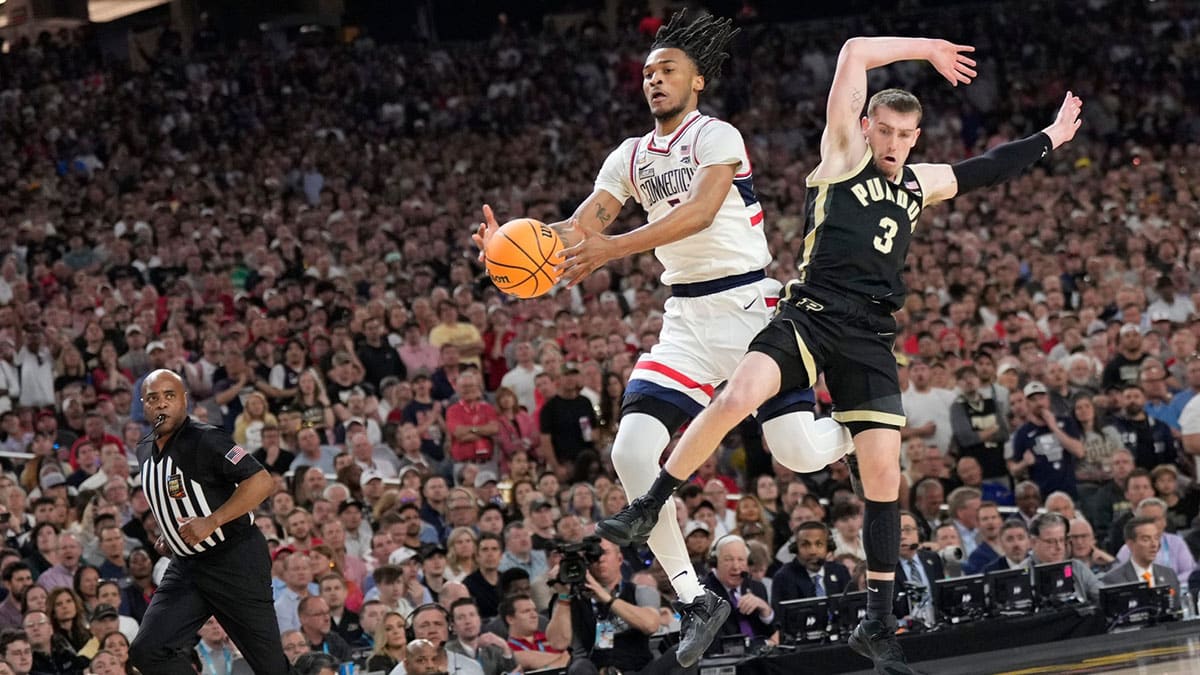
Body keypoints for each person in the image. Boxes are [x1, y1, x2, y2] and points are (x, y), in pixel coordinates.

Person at [598, 34, 1083, 673]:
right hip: (810, 313)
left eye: (905, 135)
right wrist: (931, 48)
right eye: (884, 130)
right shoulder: (844, 154)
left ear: (915, 137)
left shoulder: (920, 182)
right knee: (739, 395)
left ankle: (877, 624)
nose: (892, 143)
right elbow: (853, 51)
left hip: (871, 335)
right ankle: (651, 503)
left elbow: (989, 165)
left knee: (884, 480)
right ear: (865, 127)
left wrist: (1049, 139)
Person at [474, 12, 852, 666]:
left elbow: (700, 211)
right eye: (648, 73)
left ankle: (862, 420)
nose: (654, 80)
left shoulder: (717, 135)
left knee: (796, 450)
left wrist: (610, 248)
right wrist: (511, 243)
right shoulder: (628, 155)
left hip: (750, 306)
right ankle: (693, 594)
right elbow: (580, 225)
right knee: (631, 450)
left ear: (697, 80)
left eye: (667, 70)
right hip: (687, 320)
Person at [128, 370, 287, 674]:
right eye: (153, 398)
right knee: (147, 651)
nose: (161, 404)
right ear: (144, 406)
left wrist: (212, 521)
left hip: (235, 561)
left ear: (184, 400)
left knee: (271, 668)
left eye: (169, 396)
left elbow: (261, 481)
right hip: (188, 566)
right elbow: (174, 494)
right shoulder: (143, 448)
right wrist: (171, 535)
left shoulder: (207, 438)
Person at [1101, 516, 1181, 609]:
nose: (1154, 544)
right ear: (1130, 544)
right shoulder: (1114, 579)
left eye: (1156, 538)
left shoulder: (1168, 574)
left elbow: (1177, 610)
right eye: (1146, 539)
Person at [771, 522, 851, 609]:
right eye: (805, 545)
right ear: (795, 549)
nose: (812, 551)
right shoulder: (784, 577)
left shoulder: (840, 571)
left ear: (828, 547)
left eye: (819, 544)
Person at [445, 599, 518, 675]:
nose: (468, 621)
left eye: (472, 615)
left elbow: (513, 672)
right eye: (461, 617)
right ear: (453, 626)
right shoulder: (448, 653)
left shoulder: (493, 649)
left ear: (480, 620)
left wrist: (505, 647)